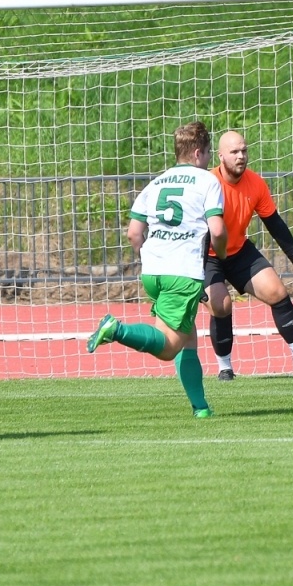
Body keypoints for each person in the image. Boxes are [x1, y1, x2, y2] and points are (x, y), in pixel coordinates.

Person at [87, 120, 227, 417]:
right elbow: (217, 229)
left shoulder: (155, 183)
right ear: (200, 153)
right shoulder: (208, 181)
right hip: (183, 272)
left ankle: (201, 408)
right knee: (168, 348)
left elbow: (134, 233)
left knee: (188, 336)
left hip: (153, 271)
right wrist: (223, 255)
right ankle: (117, 330)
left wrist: (152, 256)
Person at [203, 130, 293, 380]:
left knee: (278, 293)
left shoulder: (256, 183)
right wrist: (194, 271)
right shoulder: (207, 183)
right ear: (220, 156)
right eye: (234, 152)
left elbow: (276, 225)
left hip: (239, 251)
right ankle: (224, 368)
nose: (241, 156)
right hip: (206, 255)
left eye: (244, 150)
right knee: (221, 305)